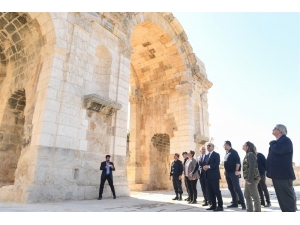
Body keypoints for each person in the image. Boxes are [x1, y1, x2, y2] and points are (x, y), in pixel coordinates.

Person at [266, 124, 296, 212]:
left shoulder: (286, 140)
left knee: (287, 198)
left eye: (275, 128)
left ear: (280, 131)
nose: (273, 129)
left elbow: (279, 150)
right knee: (282, 199)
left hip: (283, 175)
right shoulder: (277, 142)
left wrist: (272, 143)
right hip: (277, 175)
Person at [223, 141, 246, 210]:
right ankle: (235, 203)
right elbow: (227, 163)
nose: (223, 147)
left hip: (233, 173)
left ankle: (243, 204)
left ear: (228, 145)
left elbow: (238, 162)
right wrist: (225, 170)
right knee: (231, 188)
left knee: (237, 188)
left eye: (224, 145)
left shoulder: (234, 152)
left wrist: (237, 171)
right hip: (228, 173)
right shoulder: (227, 153)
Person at [202, 143, 224, 211]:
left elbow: (216, 164)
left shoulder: (216, 155)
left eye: (209, 146)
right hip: (207, 176)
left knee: (216, 191)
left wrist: (208, 166)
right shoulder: (206, 155)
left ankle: (220, 206)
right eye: (207, 146)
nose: (208, 147)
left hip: (214, 176)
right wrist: (204, 167)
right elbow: (205, 164)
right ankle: (213, 205)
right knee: (210, 191)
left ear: (213, 147)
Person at [242, 141, 261, 212]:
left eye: (244, 145)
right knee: (246, 195)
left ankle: (257, 211)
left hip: (252, 179)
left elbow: (252, 167)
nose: (243, 145)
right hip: (249, 179)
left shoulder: (250, 154)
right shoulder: (248, 154)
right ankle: (249, 210)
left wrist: (249, 179)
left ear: (247, 147)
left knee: (255, 196)